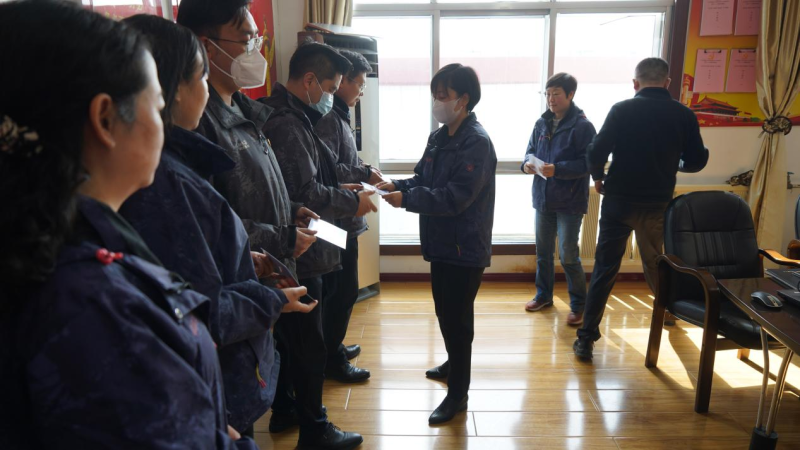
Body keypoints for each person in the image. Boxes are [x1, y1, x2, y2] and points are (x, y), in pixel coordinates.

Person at [0, 2, 255, 448]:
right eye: (156, 105)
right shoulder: (95, 307)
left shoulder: (52, 247)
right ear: (105, 120)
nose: (163, 124)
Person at [117, 15, 316, 437]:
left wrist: (242, 258)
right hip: (205, 381)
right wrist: (268, 299)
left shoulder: (240, 115)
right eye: (200, 77)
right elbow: (195, 308)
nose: (205, 89)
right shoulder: (164, 180)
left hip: (222, 365)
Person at [177, 2, 364, 448]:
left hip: (274, 258)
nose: (255, 50)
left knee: (286, 351)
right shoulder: (201, 124)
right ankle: (310, 426)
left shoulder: (247, 111)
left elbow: (270, 187)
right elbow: (213, 218)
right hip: (247, 271)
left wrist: (291, 212)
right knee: (295, 350)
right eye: (246, 39)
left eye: (256, 38)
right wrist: (284, 234)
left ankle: (292, 416)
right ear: (206, 46)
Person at [260, 40, 376, 447]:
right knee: (307, 342)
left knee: (294, 338)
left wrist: (344, 188)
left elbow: (313, 178)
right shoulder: (288, 123)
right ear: (310, 81)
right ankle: (314, 428)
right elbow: (306, 191)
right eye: (330, 87)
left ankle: (287, 409)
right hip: (300, 248)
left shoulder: (299, 116)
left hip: (305, 238)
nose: (332, 96)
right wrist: (351, 201)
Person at [377, 64, 497, 425]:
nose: (437, 102)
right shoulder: (439, 136)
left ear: (464, 100)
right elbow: (422, 178)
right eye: (435, 95)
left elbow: (456, 197)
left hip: (465, 247)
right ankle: (453, 363)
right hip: (440, 243)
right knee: (445, 310)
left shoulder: (476, 142)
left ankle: (458, 393)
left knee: (458, 320)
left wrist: (406, 200)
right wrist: (394, 185)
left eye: (443, 95)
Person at [574, 57, 709, 360]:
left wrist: (598, 177)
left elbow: (595, 151)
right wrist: (675, 163)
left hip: (618, 201)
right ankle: (669, 312)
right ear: (667, 82)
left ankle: (586, 339)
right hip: (656, 204)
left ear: (635, 83)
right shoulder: (683, 114)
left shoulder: (622, 110)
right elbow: (696, 160)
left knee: (605, 269)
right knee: (655, 264)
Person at [314, 49, 383, 381]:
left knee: (343, 292)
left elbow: (342, 163)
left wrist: (364, 169)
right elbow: (327, 171)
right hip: (335, 221)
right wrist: (363, 173)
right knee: (341, 292)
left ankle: (333, 347)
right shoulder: (328, 119)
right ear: (341, 82)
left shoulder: (340, 116)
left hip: (345, 217)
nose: (361, 91)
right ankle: (332, 359)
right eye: (358, 83)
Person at [521, 73, 596, 326]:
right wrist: (526, 165)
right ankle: (544, 296)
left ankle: (579, 305)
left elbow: (589, 163)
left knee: (568, 256)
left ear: (570, 95)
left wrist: (559, 169)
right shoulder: (541, 123)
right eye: (547, 94)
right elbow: (529, 152)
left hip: (570, 201)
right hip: (543, 198)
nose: (551, 99)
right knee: (543, 253)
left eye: (556, 94)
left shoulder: (583, 126)